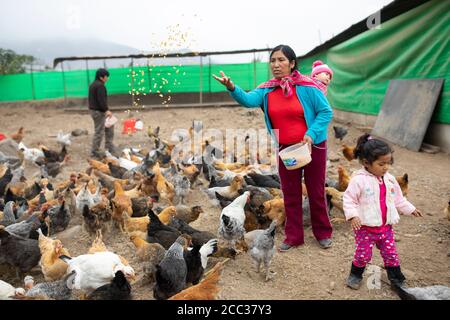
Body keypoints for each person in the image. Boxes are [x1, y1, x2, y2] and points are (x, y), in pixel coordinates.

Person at [213, 44, 333, 251]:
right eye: (273, 60)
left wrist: (311, 134)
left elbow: (325, 112)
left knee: (315, 191)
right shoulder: (268, 89)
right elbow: (248, 100)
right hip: (287, 149)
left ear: (292, 63)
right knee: (290, 192)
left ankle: (322, 232)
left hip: (312, 147)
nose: (276, 65)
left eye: (281, 60)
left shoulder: (308, 87)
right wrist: (232, 87)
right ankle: (294, 236)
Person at [343, 133, 422, 290]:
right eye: (381, 164)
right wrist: (353, 215)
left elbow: (398, 199)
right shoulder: (358, 180)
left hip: (385, 227)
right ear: (366, 163)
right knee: (363, 255)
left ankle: (396, 278)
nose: (386, 167)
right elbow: (348, 199)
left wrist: (410, 208)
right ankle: (355, 274)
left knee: (391, 254)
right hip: (365, 228)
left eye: (388, 163)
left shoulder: (390, 179)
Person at [88, 68, 118, 158]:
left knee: (109, 128)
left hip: (95, 111)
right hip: (99, 112)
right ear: (101, 77)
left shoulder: (93, 85)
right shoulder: (100, 86)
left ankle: (109, 146)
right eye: (106, 77)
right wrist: (106, 110)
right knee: (99, 132)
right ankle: (95, 151)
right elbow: (101, 100)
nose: (107, 78)